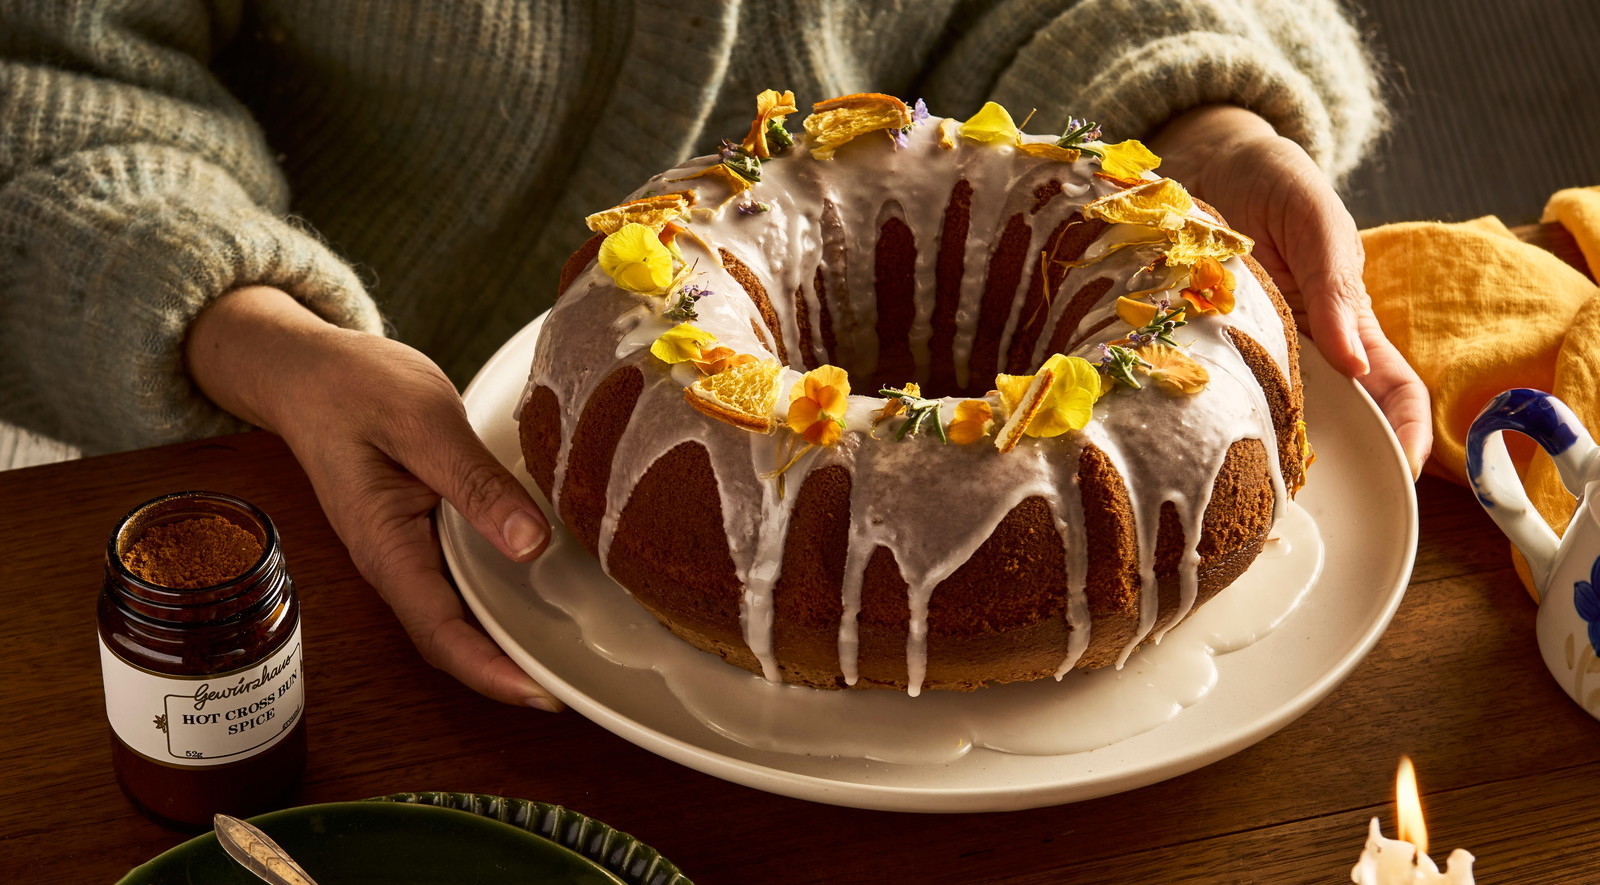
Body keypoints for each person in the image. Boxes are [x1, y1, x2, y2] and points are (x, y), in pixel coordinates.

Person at [0, 0, 1429, 711]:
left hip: (1082, 401)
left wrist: (1206, 114)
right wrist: (251, 333)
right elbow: (42, 78)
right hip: (326, 493)